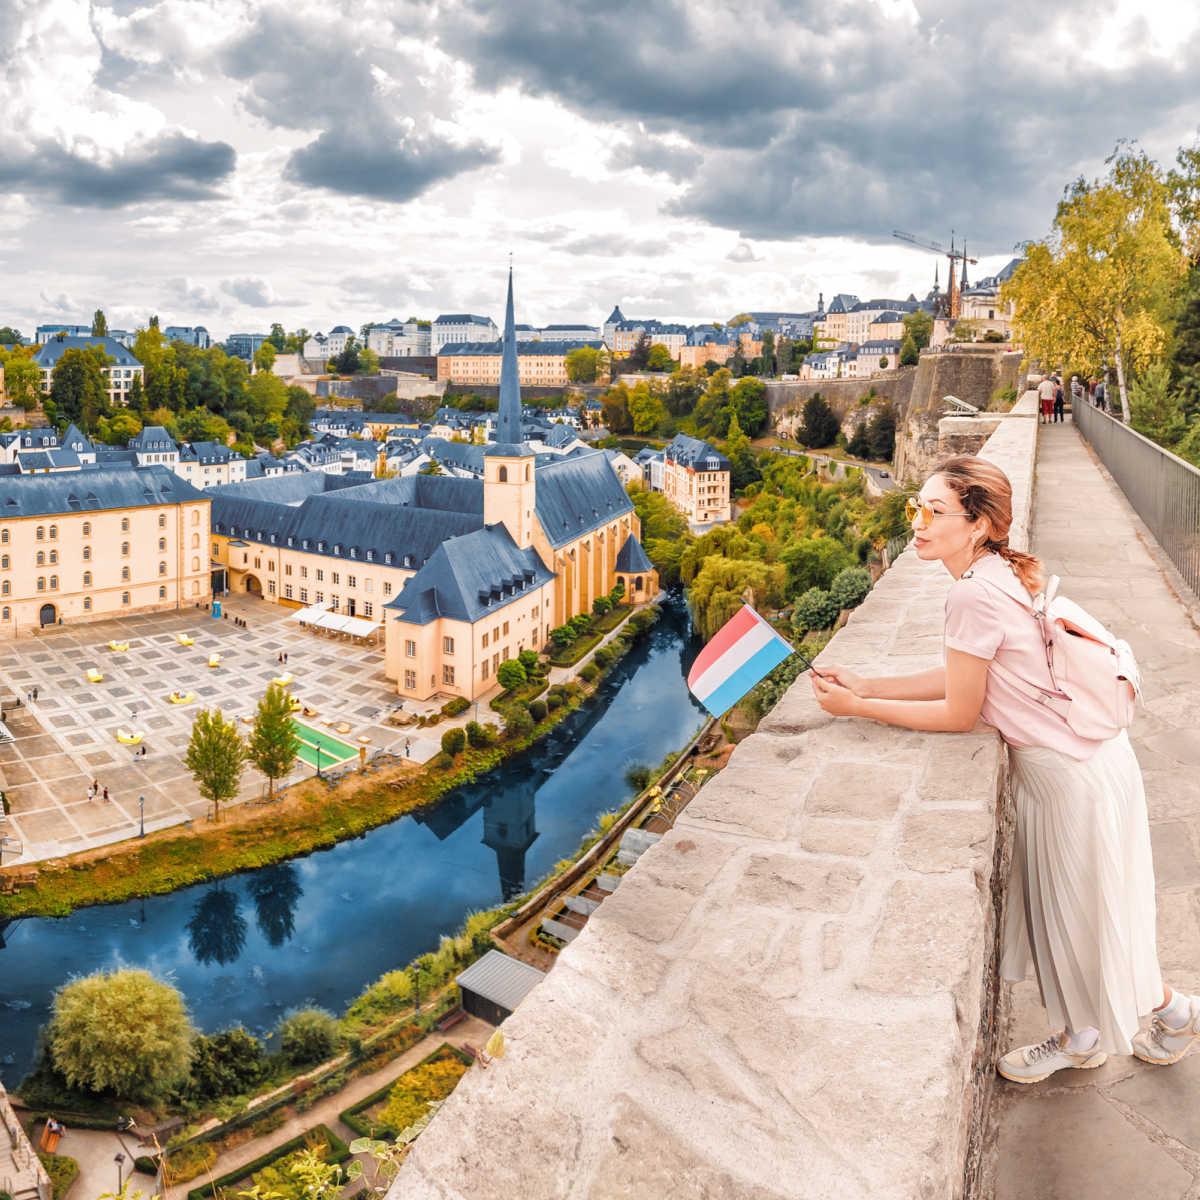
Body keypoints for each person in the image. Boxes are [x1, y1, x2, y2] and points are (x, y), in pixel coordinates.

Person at [811, 455, 1196, 1083]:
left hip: (1069, 779)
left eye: (936, 512)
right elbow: (975, 676)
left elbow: (961, 710)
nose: (919, 522)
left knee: (1084, 920)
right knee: (1096, 915)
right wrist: (872, 682)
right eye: (919, 508)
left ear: (978, 524)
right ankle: (1093, 1032)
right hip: (1094, 762)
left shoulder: (970, 593)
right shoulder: (1000, 574)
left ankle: (1159, 1018)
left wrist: (859, 706)